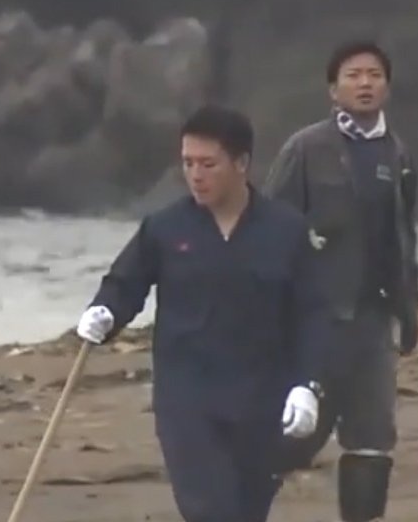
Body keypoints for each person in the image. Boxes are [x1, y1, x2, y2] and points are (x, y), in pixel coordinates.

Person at [75, 104, 329, 522]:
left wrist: (308, 386)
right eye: (188, 163)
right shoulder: (165, 228)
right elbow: (126, 282)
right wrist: (104, 311)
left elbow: (314, 315)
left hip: (261, 399)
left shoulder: (286, 231)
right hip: (187, 398)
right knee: (210, 509)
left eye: (208, 164)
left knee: (247, 511)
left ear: (241, 163)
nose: (196, 175)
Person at [263, 40, 418, 522]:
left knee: (372, 435)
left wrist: (409, 307)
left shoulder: (397, 152)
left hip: (373, 318)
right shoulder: (307, 148)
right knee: (293, 433)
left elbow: (404, 234)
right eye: (353, 76)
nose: (364, 84)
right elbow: (270, 230)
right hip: (316, 318)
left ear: (387, 86)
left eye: (374, 75)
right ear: (333, 90)